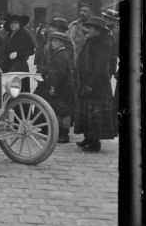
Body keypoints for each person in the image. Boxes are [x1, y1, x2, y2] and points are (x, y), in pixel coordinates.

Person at [74, 16, 116, 152]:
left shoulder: (104, 43)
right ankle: (88, 137)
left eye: (90, 28)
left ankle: (94, 143)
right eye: (88, 27)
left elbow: (100, 67)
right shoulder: (91, 40)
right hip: (86, 81)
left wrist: (90, 85)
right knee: (87, 111)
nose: (87, 30)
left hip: (98, 85)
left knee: (94, 113)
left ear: (98, 30)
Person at [35, 32, 75, 144]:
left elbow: (59, 73)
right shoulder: (59, 53)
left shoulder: (62, 55)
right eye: (52, 40)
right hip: (61, 87)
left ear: (62, 43)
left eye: (56, 41)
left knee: (63, 111)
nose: (53, 43)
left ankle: (64, 134)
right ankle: (60, 133)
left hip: (63, 88)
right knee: (59, 110)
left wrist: (53, 86)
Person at [1, 14, 36, 92]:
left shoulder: (24, 33)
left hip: (20, 66)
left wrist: (18, 54)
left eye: (15, 23)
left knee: (20, 89)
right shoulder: (9, 35)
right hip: (8, 65)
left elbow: (31, 50)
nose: (13, 25)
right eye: (11, 23)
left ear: (20, 24)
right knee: (10, 89)